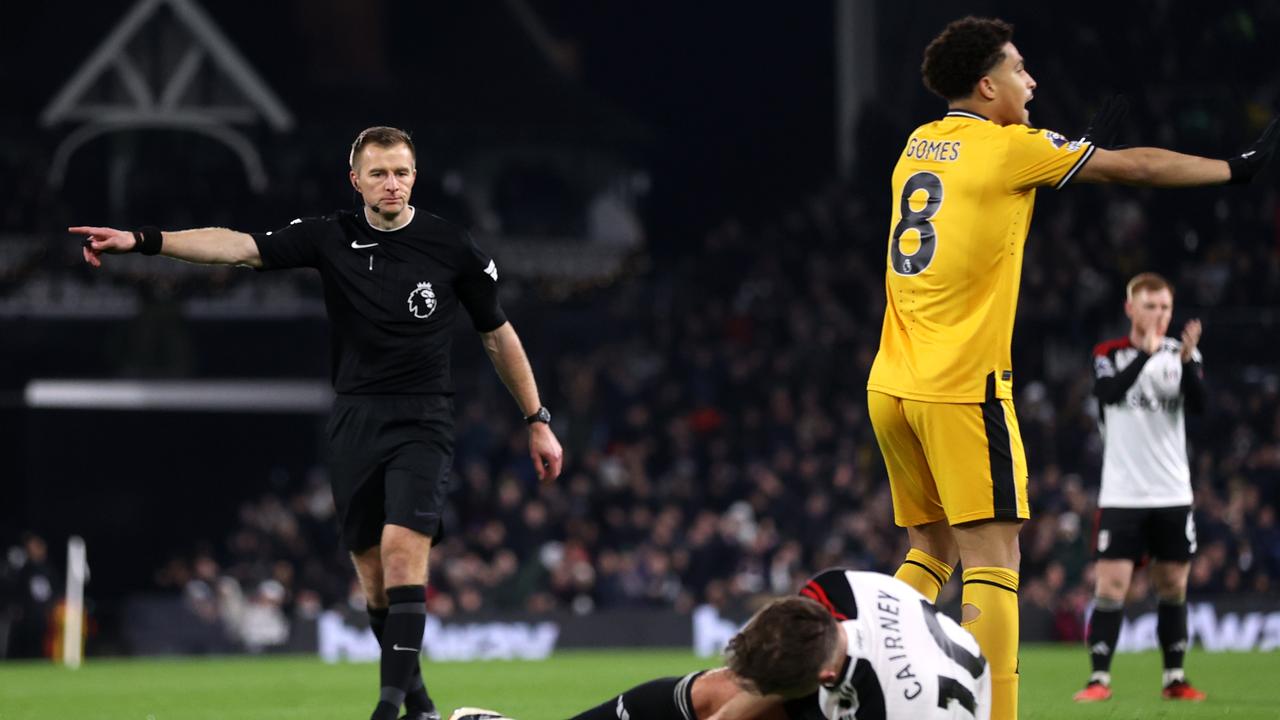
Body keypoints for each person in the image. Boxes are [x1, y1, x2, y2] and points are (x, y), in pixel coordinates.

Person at [71, 126, 564, 720]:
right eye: (378, 173)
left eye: (402, 172)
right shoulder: (328, 236)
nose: (392, 183)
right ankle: (422, 707)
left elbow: (497, 334)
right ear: (354, 180)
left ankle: (386, 709)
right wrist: (144, 240)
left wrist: (536, 418)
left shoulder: (449, 245)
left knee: (404, 554)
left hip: (423, 417)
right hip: (355, 418)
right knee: (375, 581)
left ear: (415, 177)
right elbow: (237, 245)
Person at [862, 16, 1275, 720]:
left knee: (930, 549)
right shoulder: (1009, 147)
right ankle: (996, 715)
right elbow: (1137, 166)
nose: (1034, 80)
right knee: (995, 561)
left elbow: (979, 199)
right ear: (987, 85)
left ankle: (864, 678)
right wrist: (1234, 167)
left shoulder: (916, 144)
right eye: (1021, 69)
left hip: (891, 384)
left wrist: (1071, 149)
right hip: (962, 387)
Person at [452, 569, 989, 720]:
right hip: (890, 669)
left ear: (823, 682)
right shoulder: (836, 590)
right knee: (715, 692)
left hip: (916, 705)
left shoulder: (889, 708)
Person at [1073, 273, 1206, 703]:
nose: (1160, 315)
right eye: (1151, 306)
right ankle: (1098, 681)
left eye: (1166, 307)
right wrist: (1144, 357)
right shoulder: (1108, 354)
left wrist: (1187, 364)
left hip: (1171, 493)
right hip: (1122, 494)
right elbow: (1107, 393)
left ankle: (1174, 678)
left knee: (1173, 585)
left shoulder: (1180, 354)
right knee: (1110, 587)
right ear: (1131, 309)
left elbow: (1201, 407)